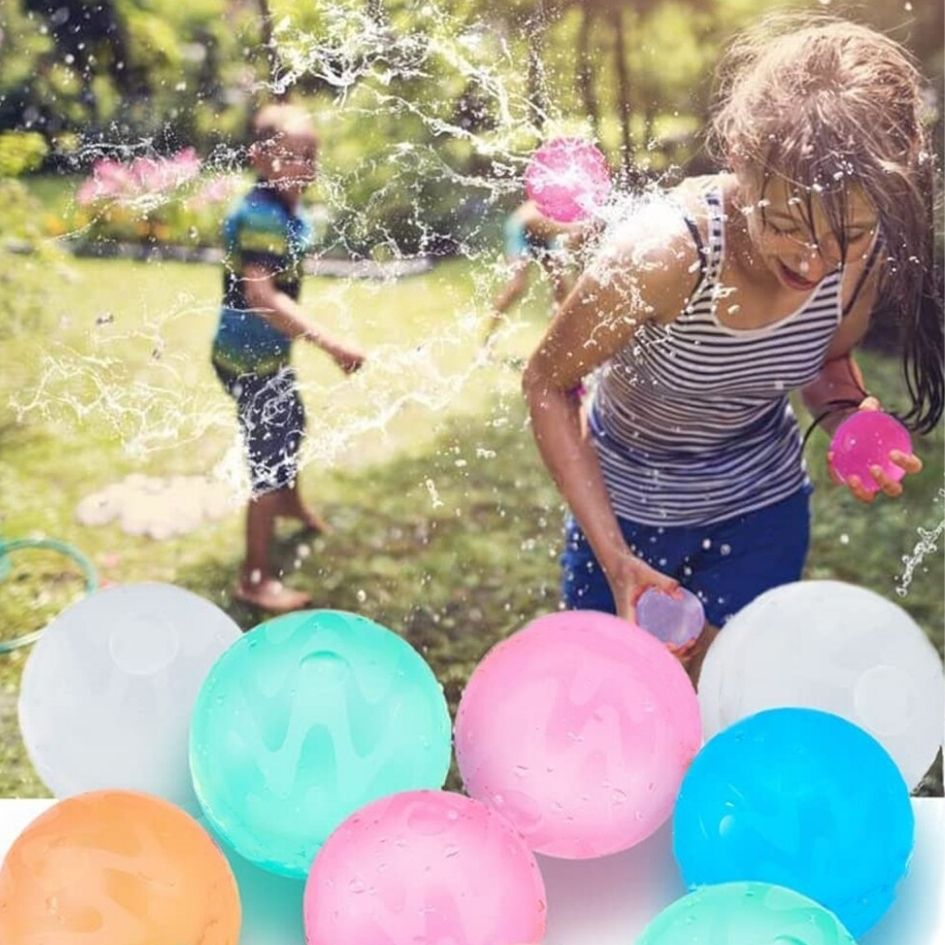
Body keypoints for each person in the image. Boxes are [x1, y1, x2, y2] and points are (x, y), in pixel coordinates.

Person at [522, 16, 943, 682]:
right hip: (629, 508)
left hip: (759, 507)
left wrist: (849, 413)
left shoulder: (862, 257)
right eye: (783, 226)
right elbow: (547, 382)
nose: (814, 262)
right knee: (617, 697)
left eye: (847, 234)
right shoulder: (662, 254)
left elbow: (826, 363)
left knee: (725, 690)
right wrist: (612, 556)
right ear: (741, 166)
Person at [212, 103, 366, 614]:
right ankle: (254, 578)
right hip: (249, 355)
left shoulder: (281, 207)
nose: (303, 166)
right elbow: (262, 296)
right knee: (269, 457)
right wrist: (332, 343)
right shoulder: (260, 214)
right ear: (259, 159)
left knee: (292, 422)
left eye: (310, 155)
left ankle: (292, 503)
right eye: (290, 156)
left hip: (262, 352)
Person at [482, 200, 590, 346]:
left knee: (562, 290)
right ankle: (488, 338)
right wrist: (573, 229)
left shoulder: (579, 210)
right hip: (522, 229)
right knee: (516, 286)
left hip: (545, 236)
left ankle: (553, 342)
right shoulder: (555, 207)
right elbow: (536, 222)